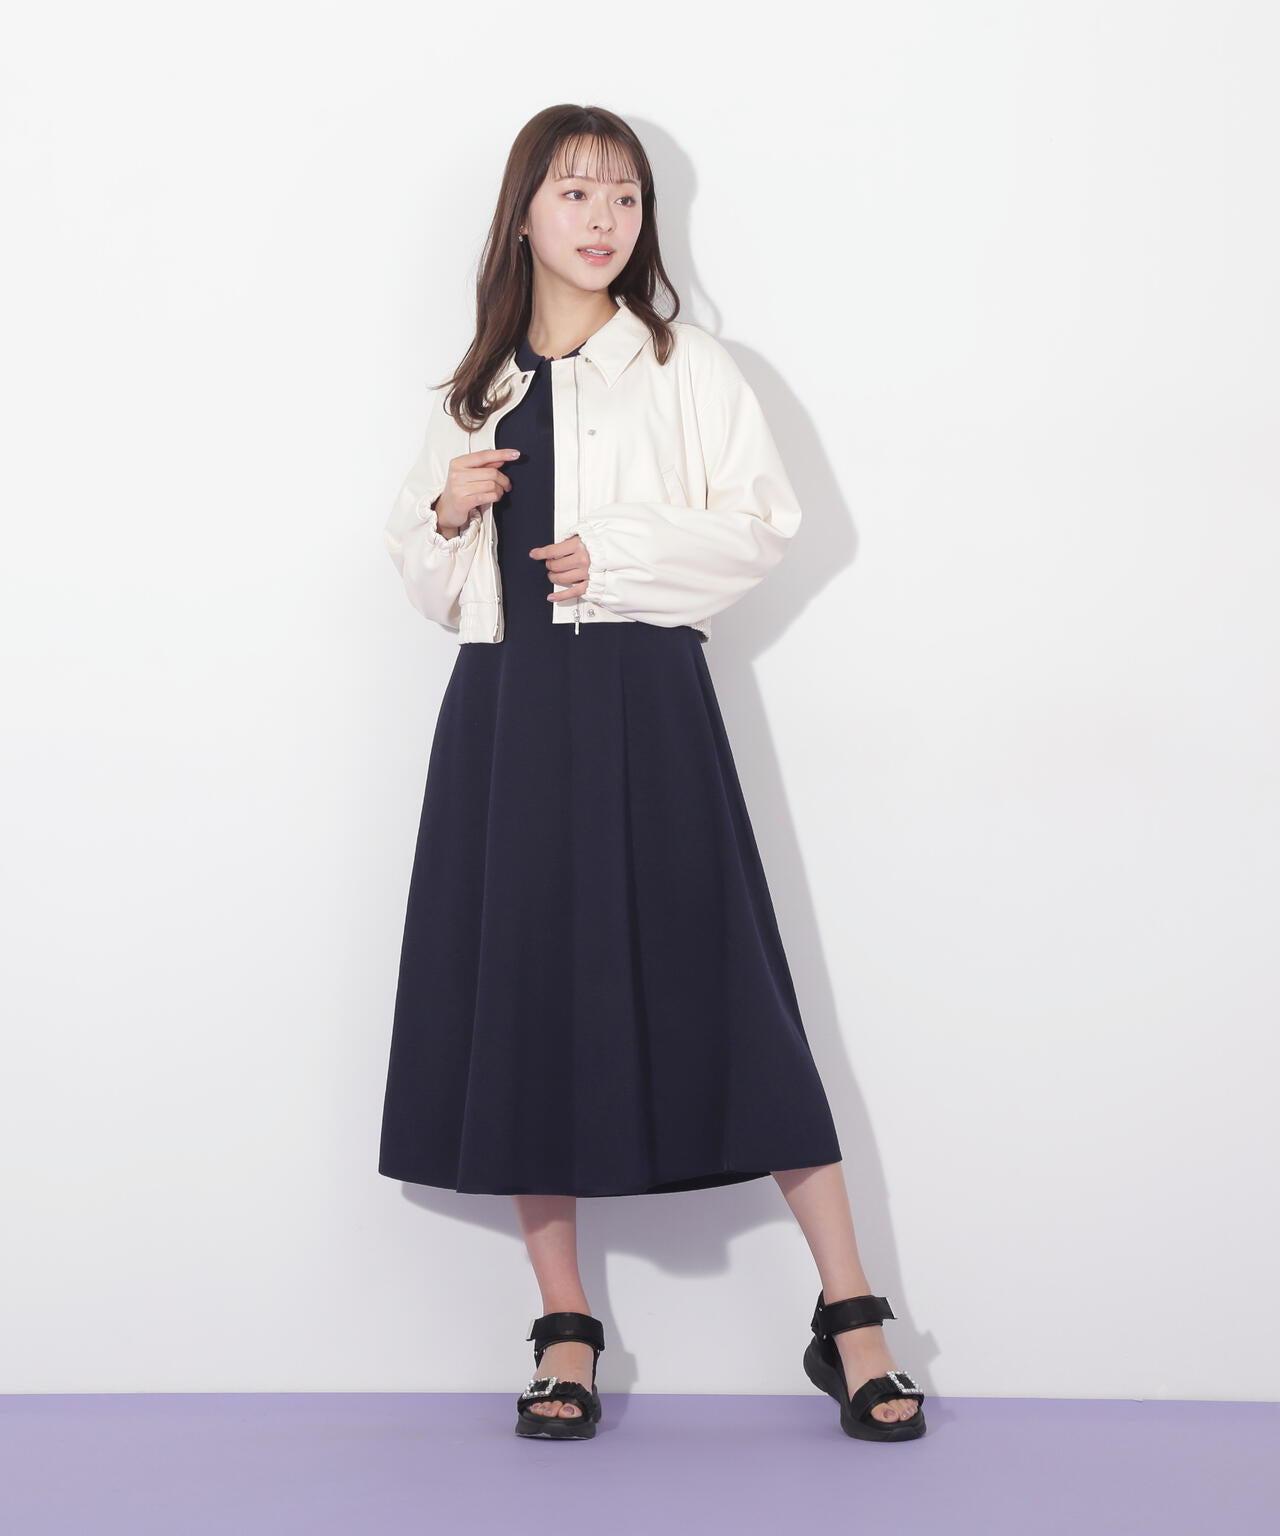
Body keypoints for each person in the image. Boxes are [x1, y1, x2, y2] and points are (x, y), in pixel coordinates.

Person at [378, 104, 926, 1444]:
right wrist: (446, 512)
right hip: (508, 720)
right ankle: (565, 1327)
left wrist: (613, 557)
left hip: (649, 709)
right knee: (524, 998)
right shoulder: (472, 391)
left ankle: (851, 1316)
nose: (604, 219)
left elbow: (766, 524)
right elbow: (431, 584)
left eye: (624, 196)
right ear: (523, 215)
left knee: (732, 988)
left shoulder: (688, 366)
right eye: (576, 193)